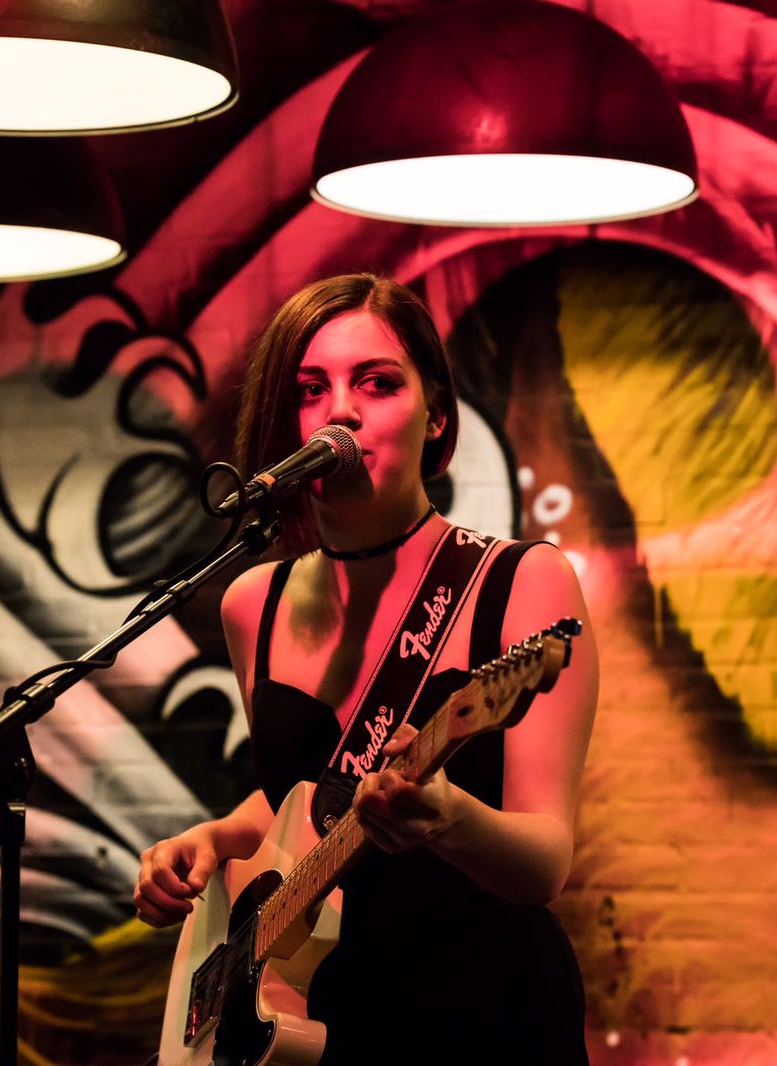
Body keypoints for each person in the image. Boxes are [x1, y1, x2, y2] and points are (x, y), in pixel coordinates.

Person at [133, 274, 598, 1064]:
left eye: (377, 383)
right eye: (310, 389)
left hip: (487, 1011)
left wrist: (450, 820)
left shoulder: (522, 583)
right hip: (320, 1015)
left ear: (436, 414)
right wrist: (213, 837)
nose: (341, 410)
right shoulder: (254, 603)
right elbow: (299, 801)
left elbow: (546, 862)